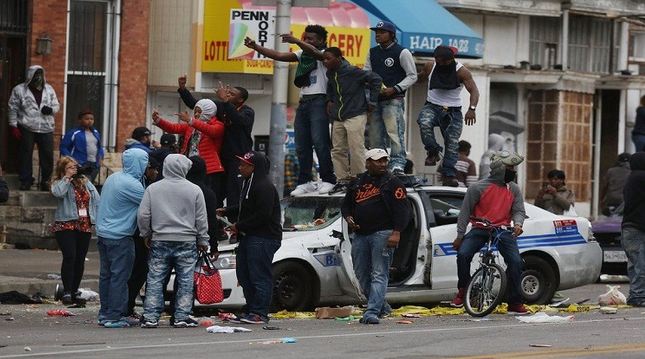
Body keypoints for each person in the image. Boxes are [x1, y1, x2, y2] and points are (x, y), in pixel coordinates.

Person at [246, 26, 336, 195]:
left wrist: (297, 41)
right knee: (302, 145)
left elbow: (318, 54)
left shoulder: (327, 54)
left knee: (320, 142)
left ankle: (328, 179)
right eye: (306, 38)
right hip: (304, 103)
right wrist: (256, 47)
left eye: (312, 39)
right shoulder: (303, 55)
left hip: (320, 100)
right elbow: (279, 56)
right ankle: (305, 181)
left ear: (322, 41)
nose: (307, 41)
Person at [451, 150, 528, 315]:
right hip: (480, 229)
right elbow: (464, 213)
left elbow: (519, 211)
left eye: (514, 168)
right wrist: (459, 236)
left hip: (502, 231)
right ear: (499, 167)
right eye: (510, 167)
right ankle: (463, 289)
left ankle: (514, 301)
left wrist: (518, 224)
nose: (513, 171)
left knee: (516, 262)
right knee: (463, 255)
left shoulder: (513, 189)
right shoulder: (477, 187)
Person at [138, 154, 209, 328]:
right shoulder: (194, 190)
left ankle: (150, 316)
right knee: (185, 280)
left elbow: (143, 215)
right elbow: (201, 219)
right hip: (187, 240)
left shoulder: (153, 189)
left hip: (160, 239)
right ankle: (181, 316)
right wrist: (203, 239)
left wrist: (146, 233)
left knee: (155, 278)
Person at [341, 148, 410, 324]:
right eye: (378, 161)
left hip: (383, 233)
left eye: (385, 160)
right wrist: (349, 218)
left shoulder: (393, 182)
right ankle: (382, 307)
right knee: (361, 273)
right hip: (361, 234)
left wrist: (396, 232)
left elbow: (403, 210)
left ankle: (371, 312)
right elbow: (346, 205)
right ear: (368, 163)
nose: (383, 164)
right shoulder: (357, 182)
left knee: (379, 273)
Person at [217, 151, 282, 324]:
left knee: (259, 276)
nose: (240, 167)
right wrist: (227, 210)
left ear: (254, 167)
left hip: (264, 237)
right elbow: (246, 206)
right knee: (244, 275)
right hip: (250, 237)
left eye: (244, 164)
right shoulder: (248, 184)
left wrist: (238, 226)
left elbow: (263, 214)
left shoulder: (264, 186)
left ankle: (260, 313)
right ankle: (251, 309)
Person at [178, 76, 254, 206]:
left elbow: (238, 121)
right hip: (222, 156)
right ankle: (216, 216)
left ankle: (232, 219)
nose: (228, 94)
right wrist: (183, 89)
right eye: (228, 92)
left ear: (241, 99)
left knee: (233, 190)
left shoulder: (247, 111)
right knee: (217, 190)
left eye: (232, 93)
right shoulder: (222, 106)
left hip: (237, 157)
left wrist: (225, 101)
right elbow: (197, 105)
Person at [96, 148, 148, 328]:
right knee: (120, 277)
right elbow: (149, 205)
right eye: (144, 162)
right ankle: (114, 316)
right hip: (120, 236)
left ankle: (105, 313)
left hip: (103, 234)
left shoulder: (113, 178)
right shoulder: (133, 185)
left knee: (106, 276)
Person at [417, 45, 480, 187]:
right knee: (424, 122)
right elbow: (420, 78)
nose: (441, 64)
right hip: (432, 106)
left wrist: (472, 109)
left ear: (451, 59)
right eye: (438, 61)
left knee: (452, 142)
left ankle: (449, 175)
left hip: (453, 111)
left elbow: (474, 91)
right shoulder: (430, 66)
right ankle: (433, 151)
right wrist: (409, 79)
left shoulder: (462, 71)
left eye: (445, 62)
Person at [364, 21, 417, 174]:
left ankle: (398, 163)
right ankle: (377, 162)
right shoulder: (372, 52)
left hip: (394, 98)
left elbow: (412, 76)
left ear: (391, 34)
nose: (378, 35)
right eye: (376, 32)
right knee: (374, 134)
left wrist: (395, 88)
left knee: (394, 132)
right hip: (376, 99)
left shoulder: (402, 52)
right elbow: (367, 72)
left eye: (382, 32)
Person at [323, 47, 382, 185]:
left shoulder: (353, 71)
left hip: (355, 114)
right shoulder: (330, 73)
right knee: (337, 150)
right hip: (338, 117)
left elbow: (376, 79)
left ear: (339, 58)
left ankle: (360, 178)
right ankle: (342, 179)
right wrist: (329, 100)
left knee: (356, 148)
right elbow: (331, 87)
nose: (325, 61)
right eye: (324, 59)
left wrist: (372, 101)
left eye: (328, 58)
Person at [152, 100, 225, 205]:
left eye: (199, 112)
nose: (196, 114)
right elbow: (174, 128)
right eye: (195, 111)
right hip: (190, 166)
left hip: (209, 169)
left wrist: (191, 120)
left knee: (207, 199)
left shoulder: (218, 125)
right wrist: (159, 120)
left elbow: (210, 131)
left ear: (209, 112)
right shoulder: (192, 124)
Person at [50, 156, 100, 305]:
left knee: (80, 259)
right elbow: (58, 193)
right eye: (70, 167)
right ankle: (66, 291)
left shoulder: (85, 181)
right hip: (66, 224)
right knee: (70, 256)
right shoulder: (59, 182)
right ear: (63, 170)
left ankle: (74, 290)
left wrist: (96, 219)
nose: (74, 170)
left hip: (84, 224)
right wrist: (67, 178)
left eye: (75, 167)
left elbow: (97, 199)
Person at [8, 65, 59, 191]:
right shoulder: (19, 90)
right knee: (25, 155)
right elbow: (12, 108)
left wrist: (51, 110)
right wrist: (13, 125)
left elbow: (56, 105)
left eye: (40, 74)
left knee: (47, 156)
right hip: (27, 126)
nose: (38, 77)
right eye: (36, 74)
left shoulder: (49, 89)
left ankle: (46, 181)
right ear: (30, 76)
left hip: (46, 128)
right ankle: (26, 180)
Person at [621, 152, 645, 307]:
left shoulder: (632, 178)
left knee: (635, 264)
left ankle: (637, 294)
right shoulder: (640, 177)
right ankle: (637, 296)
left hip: (630, 228)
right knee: (640, 265)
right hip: (636, 228)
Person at [186, 155, 220, 258]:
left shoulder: (178, 189)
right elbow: (210, 220)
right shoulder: (207, 193)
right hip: (194, 241)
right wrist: (213, 247)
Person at [59, 110, 104, 182]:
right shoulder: (74, 133)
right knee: (81, 184)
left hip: (94, 164)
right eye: (87, 119)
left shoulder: (95, 132)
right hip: (81, 164)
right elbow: (63, 147)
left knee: (90, 184)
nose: (90, 121)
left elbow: (99, 146)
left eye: (92, 119)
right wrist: (72, 160)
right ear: (80, 120)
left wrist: (101, 157)